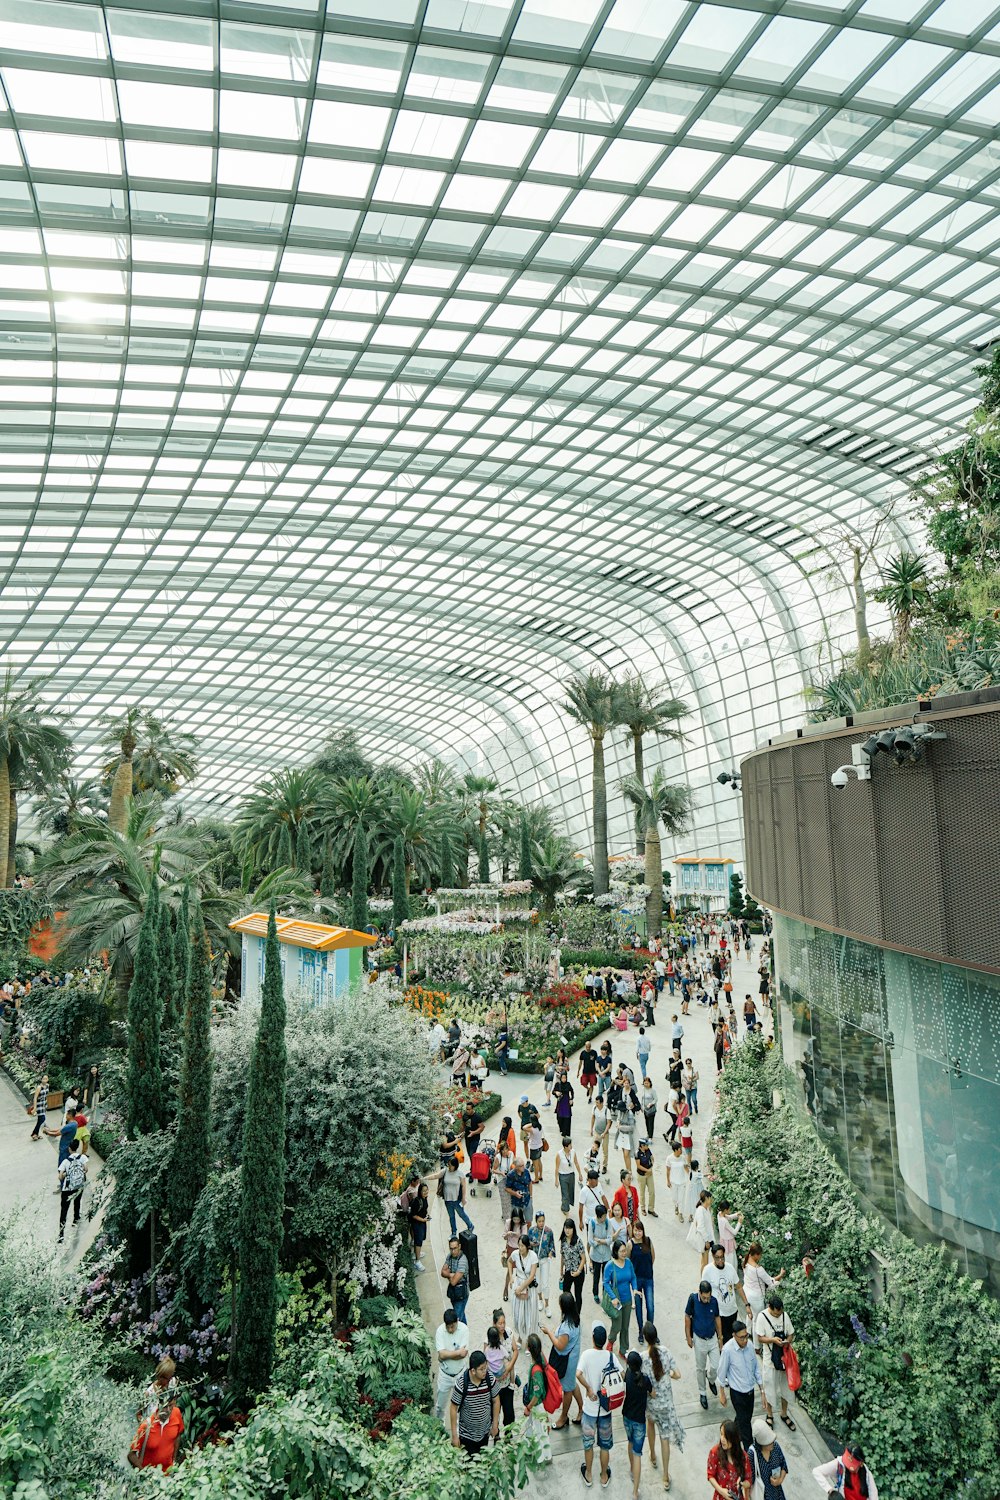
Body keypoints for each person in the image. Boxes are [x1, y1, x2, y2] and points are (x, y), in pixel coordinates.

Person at [640, 1321, 684, 1488]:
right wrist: (668, 1375)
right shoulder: (666, 1352)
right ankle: (665, 1476)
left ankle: (652, 1455)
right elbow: (677, 1374)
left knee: (650, 1425)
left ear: (645, 1338)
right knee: (664, 1438)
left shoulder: (643, 1358)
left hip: (651, 1403)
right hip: (666, 1404)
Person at [577, 1322, 616, 1489]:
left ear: (593, 1339)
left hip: (589, 1410)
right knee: (605, 1445)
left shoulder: (586, 1355)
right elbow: (621, 1374)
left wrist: (589, 1389)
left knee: (588, 1444)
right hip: (605, 1409)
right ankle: (604, 1475)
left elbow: (578, 1374)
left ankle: (588, 1474)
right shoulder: (610, 1356)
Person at [128, 1358, 184, 1471]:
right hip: (150, 1429)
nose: (166, 1381)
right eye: (164, 1378)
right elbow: (138, 1414)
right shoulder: (149, 1393)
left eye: (169, 1378)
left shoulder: (172, 1385)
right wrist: (145, 1427)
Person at [717, 1321, 764, 1448]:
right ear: (734, 1336)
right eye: (741, 1337)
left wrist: (762, 1391)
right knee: (746, 1428)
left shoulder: (749, 1346)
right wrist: (722, 1394)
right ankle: (750, 1452)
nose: (745, 1340)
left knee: (744, 1419)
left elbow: (756, 1369)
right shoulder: (727, 1350)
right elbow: (721, 1374)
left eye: (746, 1336)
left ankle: (729, 1435)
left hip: (750, 1391)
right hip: (737, 1394)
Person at [755, 1292, 796, 1431]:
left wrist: (787, 1341)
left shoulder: (785, 1316)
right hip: (769, 1359)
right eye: (776, 1314)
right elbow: (760, 1337)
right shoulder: (762, 1317)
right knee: (770, 1388)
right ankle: (770, 1415)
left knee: (786, 1388)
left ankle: (784, 1414)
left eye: (780, 1314)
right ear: (770, 1308)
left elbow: (791, 1333)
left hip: (784, 1359)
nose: (778, 1316)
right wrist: (772, 1340)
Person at [450, 1349, 499, 1457]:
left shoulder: (490, 1379)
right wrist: (454, 1435)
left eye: (485, 1367)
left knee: (482, 1464)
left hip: (484, 1433)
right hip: (466, 1436)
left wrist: (495, 1424)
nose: (484, 1371)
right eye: (481, 1369)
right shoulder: (462, 1384)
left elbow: (496, 1401)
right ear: (473, 1371)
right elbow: (453, 1408)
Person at [544, 1290, 582, 1428]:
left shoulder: (567, 1328)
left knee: (567, 1389)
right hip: (572, 1356)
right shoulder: (575, 1318)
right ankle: (582, 1409)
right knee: (571, 1384)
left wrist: (549, 1332)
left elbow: (560, 1346)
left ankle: (563, 1417)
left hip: (567, 1362)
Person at [685, 1279, 723, 1409]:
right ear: (699, 1293)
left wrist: (720, 1337)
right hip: (699, 1339)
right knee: (700, 1368)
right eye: (704, 1297)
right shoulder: (693, 1300)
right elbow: (687, 1316)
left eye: (709, 1297)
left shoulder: (714, 1301)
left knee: (716, 1366)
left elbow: (717, 1318)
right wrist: (688, 1337)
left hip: (712, 1338)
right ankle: (702, 1392)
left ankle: (711, 1379)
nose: (707, 1300)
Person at [623, 1350, 652, 1500]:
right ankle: (635, 1492)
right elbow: (652, 1393)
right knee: (638, 1454)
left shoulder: (627, 1375)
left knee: (630, 1442)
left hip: (627, 1417)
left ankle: (631, 1469)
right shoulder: (645, 1380)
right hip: (639, 1421)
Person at [602, 1235, 638, 1353]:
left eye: (625, 1251)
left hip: (627, 1299)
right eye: (622, 1251)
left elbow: (633, 1277)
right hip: (616, 1301)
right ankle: (611, 1340)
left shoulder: (628, 1263)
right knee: (617, 1325)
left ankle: (623, 1349)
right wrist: (613, 1297)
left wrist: (635, 1289)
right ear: (616, 1252)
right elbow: (606, 1283)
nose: (624, 1253)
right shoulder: (610, 1266)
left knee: (625, 1327)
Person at [484, 1311, 519, 1432]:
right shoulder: (489, 1338)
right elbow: (485, 1361)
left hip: (508, 1380)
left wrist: (508, 1368)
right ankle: (496, 1433)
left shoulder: (509, 1332)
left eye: (504, 1323)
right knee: (495, 1410)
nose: (502, 1326)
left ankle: (508, 1435)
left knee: (509, 1411)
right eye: (500, 1323)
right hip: (494, 1384)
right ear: (494, 1324)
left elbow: (515, 1351)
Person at [522, 1332, 553, 1462]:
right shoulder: (540, 1358)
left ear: (529, 1349)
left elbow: (536, 1394)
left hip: (536, 1405)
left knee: (540, 1431)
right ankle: (529, 1449)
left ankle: (543, 1458)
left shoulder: (536, 1371)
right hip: (538, 1404)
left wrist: (528, 1407)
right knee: (531, 1427)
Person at [705, 1242, 744, 1343]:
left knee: (732, 1340)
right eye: (717, 1258)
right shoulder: (708, 1271)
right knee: (721, 1340)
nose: (720, 1260)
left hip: (732, 1311)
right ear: (713, 1256)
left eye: (722, 1257)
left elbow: (738, 1286)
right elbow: (704, 1292)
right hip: (719, 1314)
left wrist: (746, 1304)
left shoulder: (730, 1268)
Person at [435, 1307, 469, 1423]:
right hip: (445, 1375)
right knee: (440, 1406)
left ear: (457, 1321)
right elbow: (442, 1354)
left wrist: (445, 1354)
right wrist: (456, 1352)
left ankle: (460, 1433)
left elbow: (462, 1355)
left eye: (452, 1326)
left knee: (462, 1405)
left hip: (460, 1374)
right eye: (448, 1326)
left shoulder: (464, 1329)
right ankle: (440, 1428)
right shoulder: (440, 1331)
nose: (450, 1329)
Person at [812, 1442, 878, 1499]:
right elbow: (817, 1471)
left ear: (861, 1463)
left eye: (852, 1465)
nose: (848, 1467)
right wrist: (830, 1490)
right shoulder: (839, 1464)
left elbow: (873, 1493)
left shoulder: (866, 1472)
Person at [708, 1419, 753, 1500]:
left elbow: (749, 1480)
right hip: (720, 1497)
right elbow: (710, 1475)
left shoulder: (743, 1456)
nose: (722, 1439)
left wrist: (742, 1484)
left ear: (733, 1439)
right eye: (721, 1434)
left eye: (726, 1436)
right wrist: (721, 1491)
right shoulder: (715, 1452)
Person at [743, 1242, 785, 1326]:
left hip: (747, 1293)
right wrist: (781, 1275)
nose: (760, 1257)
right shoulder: (758, 1269)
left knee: (750, 1314)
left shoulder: (745, 1261)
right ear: (756, 1255)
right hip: (756, 1298)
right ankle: (756, 1339)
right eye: (760, 1255)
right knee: (757, 1321)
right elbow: (770, 1281)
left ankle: (748, 1331)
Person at [510, 1232, 540, 1340]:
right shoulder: (515, 1254)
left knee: (529, 1315)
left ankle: (528, 1339)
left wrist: (520, 1288)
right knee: (517, 1313)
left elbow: (532, 1276)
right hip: (518, 1282)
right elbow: (509, 1262)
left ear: (527, 1246)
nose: (520, 1248)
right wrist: (511, 1277)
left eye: (522, 1246)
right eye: (519, 1245)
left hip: (528, 1286)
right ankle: (519, 1336)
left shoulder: (533, 1256)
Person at [57, 1138, 88, 1241]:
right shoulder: (82, 1157)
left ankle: (61, 1234)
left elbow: (60, 1177)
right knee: (77, 1201)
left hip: (68, 1189)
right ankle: (76, 1219)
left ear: (69, 1149)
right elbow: (86, 1169)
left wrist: (66, 1174)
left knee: (64, 1210)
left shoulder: (65, 1161)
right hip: (79, 1185)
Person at [750, 1418, 789, 1500]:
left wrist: (780, 1480)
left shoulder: (775, 1446)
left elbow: (784, 1465)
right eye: (768, 1442)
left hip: (778, 1493)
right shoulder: (753, 1454)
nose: (772, 1443)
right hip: (762, 1495)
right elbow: (750, 1480)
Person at [628, 1218, 655, 1329]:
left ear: (643, 1231)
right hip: (636, 1280)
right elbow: (628, 1261)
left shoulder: (648, 1241)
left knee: (650, 1306)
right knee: (638, 1307)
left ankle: (650, 1330)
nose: (637, 1233)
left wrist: (647, 1267)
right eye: (635, 1230)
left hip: (648, 1278)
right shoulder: (630, 1244)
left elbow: (653, 1257)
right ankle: (640, 1330)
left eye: (640, 1230)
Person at [441, 1156, 475, 1238]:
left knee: (461, 1214)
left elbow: (463, 1186)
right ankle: (453, 1232)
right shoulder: (445, 1171)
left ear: (455, 1166)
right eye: (448, 1165)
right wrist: (424, 1178)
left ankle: (470, 1225)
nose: (449, 1167)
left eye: (450, 1165)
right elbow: (436, 1176)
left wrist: (463, 1198)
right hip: (447, 1199)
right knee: (451, 1217)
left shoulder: (460, 1174)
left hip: (456, 1199)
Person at [529, 1210, 557, 1311]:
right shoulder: (531, 1231)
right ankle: (539, 1299)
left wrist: (551, 1252)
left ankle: (547, 1304)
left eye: (543, 1221)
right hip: (535, 1261)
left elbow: (552, 1245)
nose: (541, 1223)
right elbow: (528, 1245)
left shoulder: (549, 1231)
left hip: (545, 1260)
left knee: (545, 1283)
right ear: (536, 1221)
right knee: (538, 1282)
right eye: (539, 1221)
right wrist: (531, 1245)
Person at [560, 1216, 588, 1315]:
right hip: (568, 1271)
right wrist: (561, 1271)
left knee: (578, 1294)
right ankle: (567, 1312)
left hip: (578, 1272)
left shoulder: (578, 1241)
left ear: (573, 1229)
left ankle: (577, 1315)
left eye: (569, 1228)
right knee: (565, 1292)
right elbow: (562, 1257)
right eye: (565, 1228)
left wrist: (578, 1271)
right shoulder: (563, 1241)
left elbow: (583, 1258)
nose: (567, 1230)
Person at [441, 1235, 471, 1325]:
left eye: (455, 1248)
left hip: (461, 1294)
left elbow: (453, 1282)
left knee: (456, 1320)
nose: (453, 1251)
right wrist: (451, 1275)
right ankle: (465, 1330)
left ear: (459, 1246)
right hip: (454, 1293)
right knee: (461, 1314)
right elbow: (442, 1272)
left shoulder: (462, 1261)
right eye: (451, 1249)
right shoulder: (450, 1256)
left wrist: (449, 1276)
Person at [588, 1203, 614, 1305]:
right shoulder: (592, 1223)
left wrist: (598, 1240)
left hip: (607, 1255)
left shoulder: (607, 1222)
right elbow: (590, 1241)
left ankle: (605, 1294)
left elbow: (610, 1239)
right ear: (599, 1216)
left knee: (606, 1277)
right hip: (596, 1256)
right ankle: (595, 1293)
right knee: (596, 1276)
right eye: (603, 1216)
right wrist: (602, 1241)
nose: (605, 1218)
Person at [687, 1189, 716, 1272]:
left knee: (704, 1261)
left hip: (708, 1238)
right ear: (706, 1198)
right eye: (710, 1198)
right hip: (704, 1240)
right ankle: (704, 1281)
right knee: (705, 1263)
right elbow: (700, 1227)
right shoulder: (700, 1210)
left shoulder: (706, 1209)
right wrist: (706, 1240)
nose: (711, 1200)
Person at [503, 1205, 528, 1299]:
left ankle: (521, 1289)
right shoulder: (508, 1222)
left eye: (518, 1219)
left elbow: (524, 1237)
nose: (516, 1221)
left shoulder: (523, 1225)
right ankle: (505, 1290)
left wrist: (514, 1233)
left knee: (521, 1270)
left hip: (521, 1249)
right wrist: (507, 1234)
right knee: (509, 1271)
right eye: (515, 1219)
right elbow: (504, 1236)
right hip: (511, 1248)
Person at [555, 1137, 583, 1215]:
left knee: (570, 1192)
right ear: (565, 1146)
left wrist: (580, 1174)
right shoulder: (559, 1154)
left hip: (571, 1175)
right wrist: (556, 1180)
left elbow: (576, 1163)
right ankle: (565, 1208)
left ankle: (565, 1203)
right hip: (563, 1176)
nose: (571, 1146)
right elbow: (556, 1168)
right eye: (570, 1145)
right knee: (565, 1194)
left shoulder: (573, 1152)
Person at [408, 1181, 430, 1271]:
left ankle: (416, 1253)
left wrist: (426, 1216)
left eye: (427, 1190)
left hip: (422, 1221)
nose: (426, 1192)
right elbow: (413, 1215)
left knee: (421, 1239)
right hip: (417, 1223)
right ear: (419, 1191)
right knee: (418, 1242)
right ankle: (417, 1261)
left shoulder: (425, 1198)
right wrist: (423, 1219)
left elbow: (424, 1208)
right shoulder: (416, 1201)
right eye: (424, 1191)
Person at [505, 1156, 533, 1221]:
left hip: (527, 1200)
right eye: (521, 1166)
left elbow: (530, 1183)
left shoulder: (526, 1172)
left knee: (529, 1220)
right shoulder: (511, 1175)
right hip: (516, 1202)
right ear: (516, 1167)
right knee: (516, 1222)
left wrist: (531, 1196)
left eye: (524, 1165)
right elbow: (507, 1188)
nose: (524, 1167)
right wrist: (515, 1194)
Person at [635, 1137, 657, 1217]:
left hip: (649, 1173)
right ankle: (643, 1208)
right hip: (642, 1175)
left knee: (652, 1192)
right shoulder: (637, 1153)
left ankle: (651, 1209)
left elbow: (652, 1158)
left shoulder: (648, 1150)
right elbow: (638, 1165)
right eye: (646, 1145)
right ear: (642, 1145)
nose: (648, 1146)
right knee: (642, 1192)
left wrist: (651, 1166)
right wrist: (647, 1170)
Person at [666, 1141, 686, 1222]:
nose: (681, 1150)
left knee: (681, 1199)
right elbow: (667, 1171)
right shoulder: (669, 1158)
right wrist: (668, 1181)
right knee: (674, 1198)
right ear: (675, 1150)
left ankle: (680, 1214)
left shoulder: (683, 1158)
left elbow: (686, 1168)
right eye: (680, 1149)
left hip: (682, 1181)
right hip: (673, 1182)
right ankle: (676, 1206)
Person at [591, 1097, 611, 1175]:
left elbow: (608, 1123)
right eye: (596, 1102)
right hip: (597, 1132)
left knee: (605, 1150)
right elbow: (593, 1118)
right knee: (595, 1149)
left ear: (602, 1103)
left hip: (605, 1133)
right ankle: (596, 1166)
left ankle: (605, 1166)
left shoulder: (607, 1111)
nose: (596, 1104)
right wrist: (591, 1129)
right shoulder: (594, 1108)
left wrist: (604, 1133)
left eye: (598, 1103)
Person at [553, 1069, 575, 1138]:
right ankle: (562, 1130)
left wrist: (571, 1099)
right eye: (562, 1078)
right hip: (560, 1103)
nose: (564, 1079)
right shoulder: (558, 1084)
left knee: (567, 1118)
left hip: (566, 1102)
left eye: (565, 1078)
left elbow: (572, 1091)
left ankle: (565, 1132)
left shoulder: (568, 1084)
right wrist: (556, 1092)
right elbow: (553, 1091)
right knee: (559, 1118)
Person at [29, 1071, 48, 1139]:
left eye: (46, 1079)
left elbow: (46, 1096)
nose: (45, 1080)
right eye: (44, 1079)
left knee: (40, 1120)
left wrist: (46, 1105)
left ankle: (35, 1134)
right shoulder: (39, 1087)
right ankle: (34, 1133)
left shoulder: (47, 1086)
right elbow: (35, 1097)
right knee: (42, 1119)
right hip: (39, 1105)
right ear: (41, 1079)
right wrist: (35, 1107)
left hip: (44, 1105)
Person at [640, 1077, 658, 1141]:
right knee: (646, 1122)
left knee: (651, 1122)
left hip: (651, 1108)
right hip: (645, 1108)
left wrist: (651, 1104)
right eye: (645, 1083)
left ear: (650, 1083)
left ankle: (650, 1136)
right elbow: (642, 1098)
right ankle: (648, 1133)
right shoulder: (643, 1090)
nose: (646, 1084)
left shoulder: (652, 1090)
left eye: (647, 1083)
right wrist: (641, 1106)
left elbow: (656, 1099)